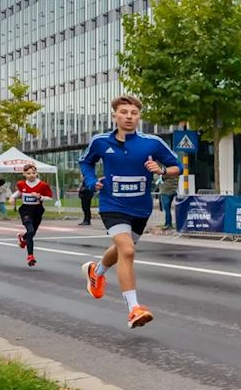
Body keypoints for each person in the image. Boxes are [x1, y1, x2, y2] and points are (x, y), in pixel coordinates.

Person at [78, 95, 182, 328]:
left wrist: (162, 169)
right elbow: (85, 162)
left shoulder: (152, 143)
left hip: (141, 209)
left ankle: (97, 271)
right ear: (114, 115)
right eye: (124, 112)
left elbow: (179, 167)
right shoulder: (100, 141)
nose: (128, 117)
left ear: (139, 117)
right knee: (127, 250)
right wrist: (92, 180)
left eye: (133, 113)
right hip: (112, 206)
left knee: (121, 249)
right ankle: (134, 308)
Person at [10, 163, 53, 267]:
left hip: (37, 210)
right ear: (24, 174)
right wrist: (12, 197)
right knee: (31, 230)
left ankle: (23, 238)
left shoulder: (43, 185)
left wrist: (40, 197)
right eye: (28, 173)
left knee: (32, 232)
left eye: (34, 173)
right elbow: (20, 192)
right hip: (26, 210)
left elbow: (50, 197)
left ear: (37, 173)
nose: (31, 175)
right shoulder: (21, 184)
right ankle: (30, 256)